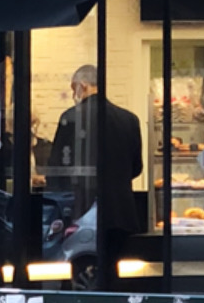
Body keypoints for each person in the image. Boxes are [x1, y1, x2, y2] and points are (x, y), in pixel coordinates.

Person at [50, 65, 143, 272]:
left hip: (83, 208)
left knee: (80, 267)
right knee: (113, 269)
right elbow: (136, 167)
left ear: (82, 86)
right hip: (121, 211)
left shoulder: (71, 118)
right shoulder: (129, 119)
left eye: (74, 89)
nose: (74, 95)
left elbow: (57, 167)